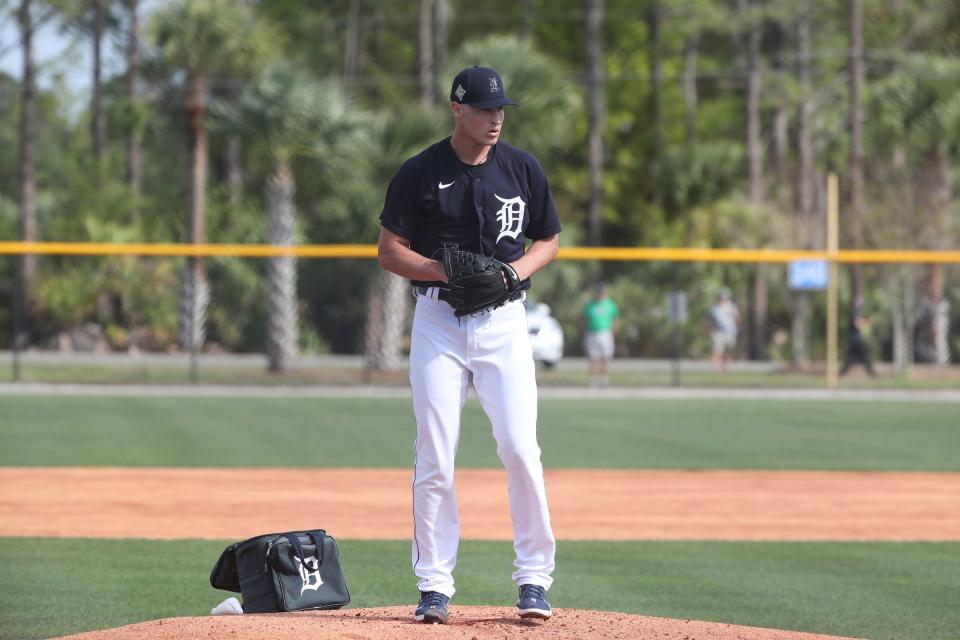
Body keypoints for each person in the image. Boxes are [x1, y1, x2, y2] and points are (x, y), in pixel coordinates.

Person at [377, 66, 560, 625]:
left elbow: (548, 239)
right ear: (458, 109)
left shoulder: (522, 167)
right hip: (439, 320)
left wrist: (513, 274)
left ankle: (534, 578)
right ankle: (433, 584)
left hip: (505, 324)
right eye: (484, 109)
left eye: (500, 108)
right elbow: (389, 250)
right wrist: (441, 270)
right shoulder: (421, 171)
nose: (495, 117)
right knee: (435, 456)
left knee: (521, 450)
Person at [582, 282, 618, 386]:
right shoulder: (590, 305)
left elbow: (615, 319)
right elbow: (585, 320)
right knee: (593, 357)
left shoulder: (610, 304)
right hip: (592, 332)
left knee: (606, 357)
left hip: (605, 333)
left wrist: (613, 332)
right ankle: (593, 379)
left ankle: (604, 379)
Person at [840, 297, 875, 376]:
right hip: (856, 339)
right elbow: (857, 324)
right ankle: (871, 373)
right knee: (864, 357)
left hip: (856, 339)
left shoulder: (857, 312)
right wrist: (867, 322)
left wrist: (866, 321)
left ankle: (841, 373)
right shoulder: (855, 312)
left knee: (851, 358)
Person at [708, 289, 739, 372]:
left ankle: (726, 366)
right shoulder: (714, 308)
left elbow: (736, 318)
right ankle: (716, 366)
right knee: (717, 350)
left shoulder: (731, 306)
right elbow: (709, 320)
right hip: (718, 331)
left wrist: (735, 327)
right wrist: (710, 329)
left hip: (730, 331)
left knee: (729, 349)